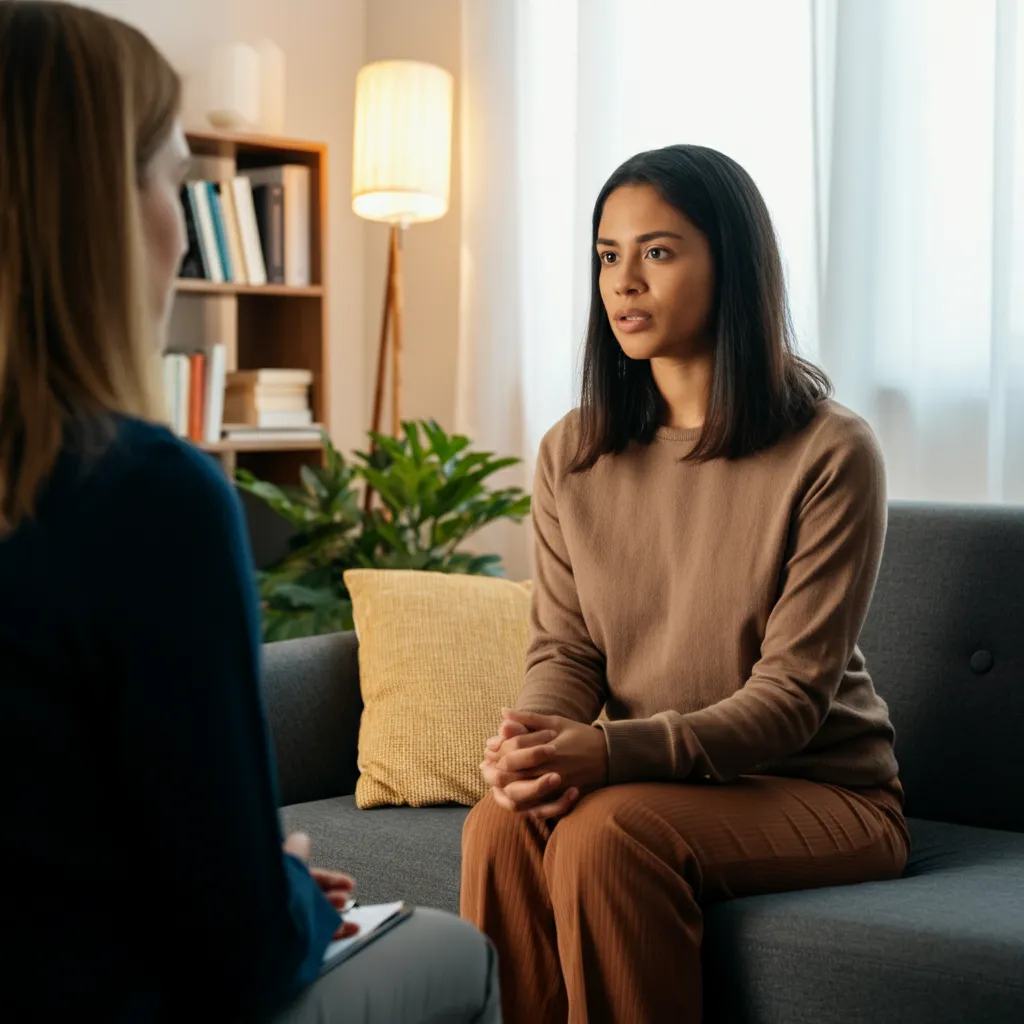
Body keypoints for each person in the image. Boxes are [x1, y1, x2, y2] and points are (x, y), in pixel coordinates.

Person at [0, 4, 499, 1022]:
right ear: (101, 210)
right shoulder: (150, 497)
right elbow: (241, 953)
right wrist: (280, 882)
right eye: (177, 181)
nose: (181, 222)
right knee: (457, 952)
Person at [461, 143, 910, 1024]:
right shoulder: (574, 451)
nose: (624, 282)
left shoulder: (830, 451)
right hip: (664, 785)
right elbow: (566, 648)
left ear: (732, 267)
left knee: (604, 837)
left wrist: (609, 754)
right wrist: (537, 743)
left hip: (822, 790)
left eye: (657, 252)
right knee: (498, 825)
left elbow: (788, 700)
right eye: (608, 255)